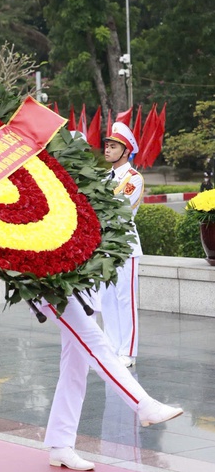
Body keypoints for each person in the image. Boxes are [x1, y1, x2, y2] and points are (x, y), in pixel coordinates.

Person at [39, 296, 183, 471]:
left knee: (74, 368)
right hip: (52, 289)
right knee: (98, 346)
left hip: (79, 289)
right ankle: (143, 404)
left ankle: (60, 443)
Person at [101, 122, 144, 367]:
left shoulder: (133, 178)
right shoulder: (104, 176)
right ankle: (110, 347)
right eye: (107, 146)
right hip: (106, 245)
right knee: (107, 299)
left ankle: (128, 351)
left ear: (126, 151)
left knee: (125, 299)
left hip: (125, 245)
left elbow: (117, 208)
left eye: (113, 146)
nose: (107, 150)